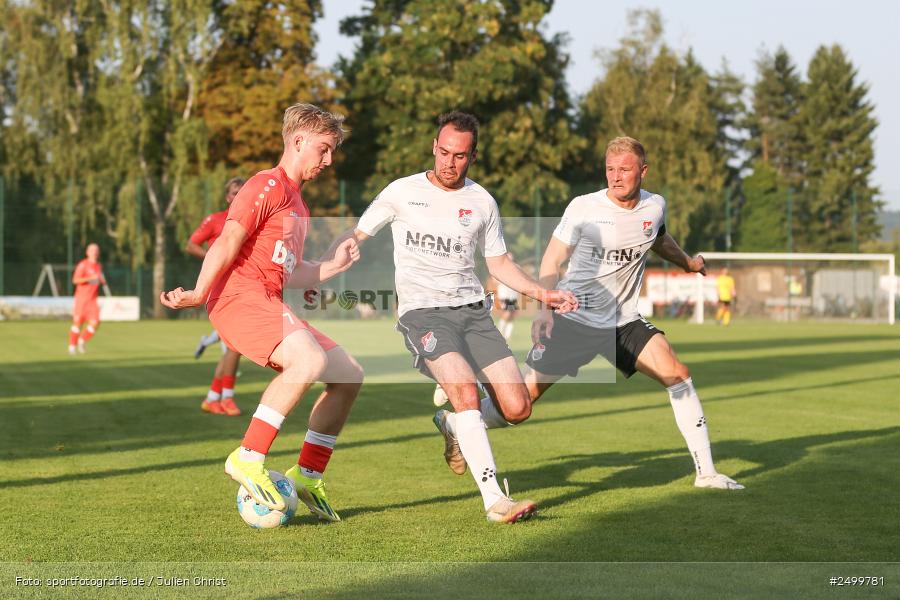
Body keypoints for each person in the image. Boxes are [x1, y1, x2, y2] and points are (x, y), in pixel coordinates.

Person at [455, 136, 743, 491]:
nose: (616, 176)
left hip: (623, 322)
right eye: (610, 169)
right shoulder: (584, 208)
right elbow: (553, 259)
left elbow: (657, 238)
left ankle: (707, 473)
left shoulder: (655, 206)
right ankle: (457, 423)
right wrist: (545, 310)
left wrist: (687, 263)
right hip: (574, 318)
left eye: (624, 169)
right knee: (519, 405)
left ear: (643, 171)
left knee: (678, 375)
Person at [340, 111, 578, 523]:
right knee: (465, 392)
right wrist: (318, 267)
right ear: (434, 147)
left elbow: (498, 263)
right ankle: (495, 501)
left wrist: (544, 293)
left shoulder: (482, 201)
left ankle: (453, 425)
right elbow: (356, 236)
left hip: (473, 313)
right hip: (423, 313)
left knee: (517, 407)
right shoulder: (401, 191)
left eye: (460, 156)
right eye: (444, 152)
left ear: (473, 156)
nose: (449, 162)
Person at [160, 103, 364, 521]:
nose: (328, 160)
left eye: (332, 152)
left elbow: (291, 272)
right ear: (298, 141)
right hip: (237, 296)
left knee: (348, 374)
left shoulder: (299, 205)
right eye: (324, 149)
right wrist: (199, 292)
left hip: (267, 298)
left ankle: (307, 475)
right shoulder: (265, 185)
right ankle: (248, 456)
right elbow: (227, 240)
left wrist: (333, 266)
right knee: (308, 360)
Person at [185, 177, 246, 416]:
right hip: (221, 288)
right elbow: (191, 244)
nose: (237, 196)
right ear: (227, 197)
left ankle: (212, 398)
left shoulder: (252, 219)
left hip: (242, 287)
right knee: (234, 346)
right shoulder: (216, 219)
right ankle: (227, 398)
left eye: (242, 192)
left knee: (232, 346)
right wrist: (214, 258)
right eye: (234, 192)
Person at [68, 243, 106, 355]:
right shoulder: (83, 265)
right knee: (77, 323)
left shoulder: (98, 266)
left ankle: (82, 340)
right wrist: (89, 278)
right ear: (87, 252)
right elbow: (75, 280)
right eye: (92, 250)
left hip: (92, 300)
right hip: (82, 300)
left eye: (96, 250)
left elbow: (97, 280)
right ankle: (72, 346)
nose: (95, 252)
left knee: (95, 322)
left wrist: (101, 281)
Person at [495, 253, 520, 340]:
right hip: (505, 295)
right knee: (507, 313)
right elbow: (495, 280)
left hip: (513, 295)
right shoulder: (501, 267)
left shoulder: (516, 267)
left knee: (512, 315)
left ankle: (507, 335)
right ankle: (499, 332)